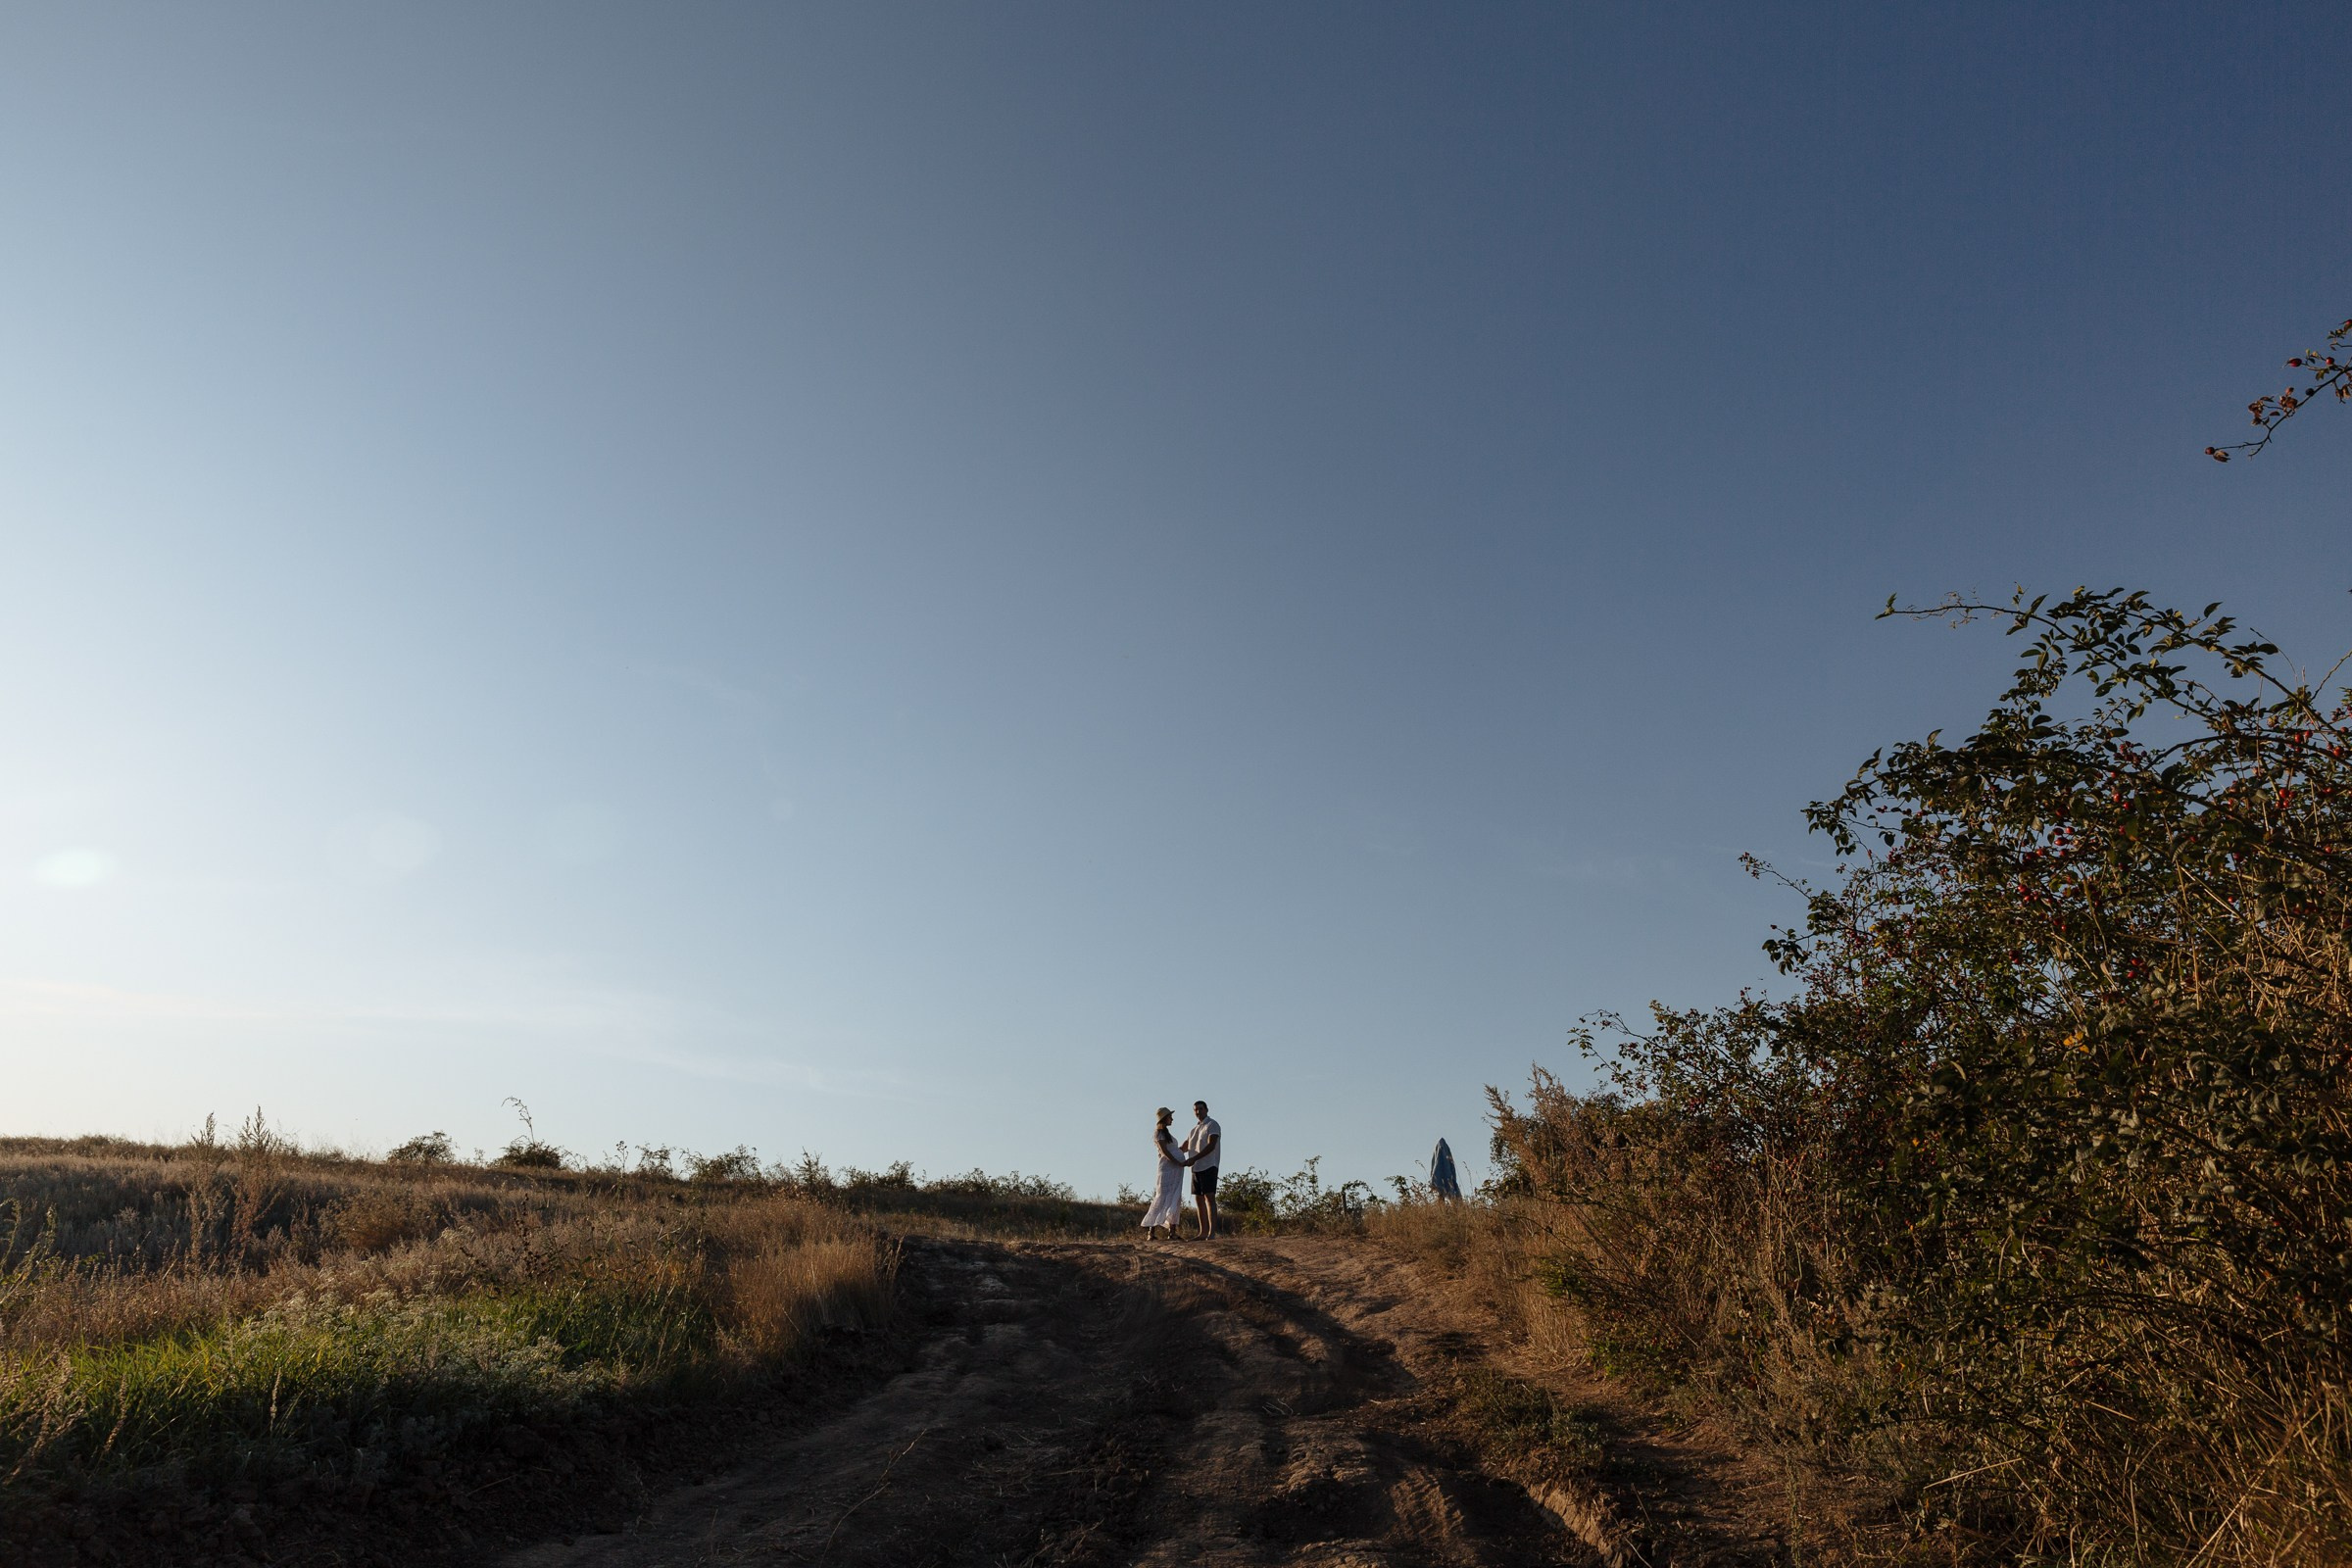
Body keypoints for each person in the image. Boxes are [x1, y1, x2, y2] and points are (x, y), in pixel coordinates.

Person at [1141, 1106, 1190, 1240]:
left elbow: (1174, 1150)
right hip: (1169, 1168)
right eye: (1170, 1117)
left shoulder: (1167, 1134)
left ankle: (1172, 1232)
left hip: (1176, 1170)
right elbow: (1165, 1152)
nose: (1172, 1119)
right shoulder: (1159, 1133)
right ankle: (1151, 1232)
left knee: (1175, 1197)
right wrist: (1177, 1162)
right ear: (1164, 1118)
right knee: (1162, 1197)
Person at [1182, 1100, 1221, 1239]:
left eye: (1200, 1109)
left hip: (1209, 1165)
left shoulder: (1212, 1124)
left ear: (1206, 1109)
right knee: (1198, 1199)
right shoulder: (1193, 1130)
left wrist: (1194, 1158)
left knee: (1209, 1197)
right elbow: (1184, 1147)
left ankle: (1212, 1233)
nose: (1198, 1112)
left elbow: (1211, 1145)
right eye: (1196, 1110)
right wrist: (1169, 1153)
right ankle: (1203, 1232)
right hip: (1195, 1168)